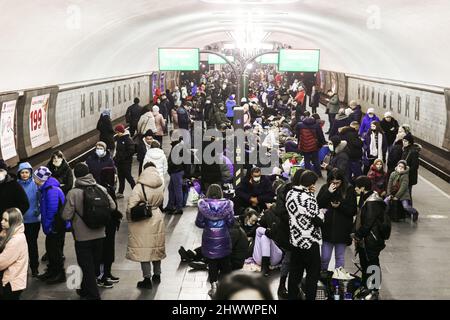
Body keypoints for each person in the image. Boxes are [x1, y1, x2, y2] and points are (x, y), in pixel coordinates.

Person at [62, 163, 116, 298]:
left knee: (87, 267)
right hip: (100, 234)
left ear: (76, 176)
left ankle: (94, 295)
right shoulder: (100, 188)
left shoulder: (73, 193)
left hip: (82, 237)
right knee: (93, 265)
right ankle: (85, 290)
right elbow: (113, 207)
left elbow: (66, 215)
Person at [126, 162, 166, 290]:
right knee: (156, 246)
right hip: (157, 216)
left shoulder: (139, 186)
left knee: (144, 249)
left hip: (143, 220)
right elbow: (161, 200)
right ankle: (157, 274)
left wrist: (129, 217)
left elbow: (131, 206)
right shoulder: (161, 184)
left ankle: (147, 278)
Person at [285, 170, 323, 300]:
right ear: (311, 183)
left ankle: (292, 297)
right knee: (313, 275)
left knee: (295, 273)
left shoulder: (290, 193)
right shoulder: (308, 197)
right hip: (310, 242)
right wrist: (312, 197)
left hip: (296, 240)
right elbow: (318, 219)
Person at [195, 184, 234, 298]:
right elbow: (231, 222)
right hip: (223, 237)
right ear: (221, 192)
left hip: (209, 238)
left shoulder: (204, 206)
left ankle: (214, 287)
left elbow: (199, 223)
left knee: (212, 263)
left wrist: (207, 224)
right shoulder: (227, 205)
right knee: (226, 261)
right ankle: (228, 286)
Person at [352, 176, 387, 300]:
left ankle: (374, 290)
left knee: (373, 264)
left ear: (363, 188)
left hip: (371, 239)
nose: (355, 188)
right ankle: (367, 286)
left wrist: (358, 234)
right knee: (365, 263)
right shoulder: (366, 198)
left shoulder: (373, 201)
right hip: (365, 239)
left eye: (357, 186)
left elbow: (368, 222)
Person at [317, 169, 357, 272]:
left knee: (339, 257)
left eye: (337, 182)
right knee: (324, 258)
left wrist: (340, 206)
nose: (335, 185)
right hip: (327, 228)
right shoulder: (325, 188)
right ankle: (323, 277)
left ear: (342, 181)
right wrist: (328, 193)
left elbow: (352, 210)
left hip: (342, 229)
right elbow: (318, 204)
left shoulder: (349, 190)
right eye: (333, 182)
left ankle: (337, 280)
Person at [34, 166, 67, 284]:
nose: (34, 179)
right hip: (54, 226)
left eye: (35, 177)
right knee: (51, 249)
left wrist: (47, 226)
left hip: (55, 226)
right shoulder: (46, 188)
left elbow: (52, 211)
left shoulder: (51, 190)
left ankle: (59, 274)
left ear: (40, 178)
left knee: (55, 251)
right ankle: (52, 271)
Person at [16, 163, 40, 277]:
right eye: (22, 172)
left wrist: (38, 210)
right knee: (21, 246)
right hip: (20, 221)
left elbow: (40, 198)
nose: (24, 175)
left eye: (26, 172)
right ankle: (23, 267)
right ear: (19, 174)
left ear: (30, 173)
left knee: (32, 244)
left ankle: (34, 267)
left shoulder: (36, 184)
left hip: (34, 220)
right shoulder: (16, 186)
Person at [0, 208, 28, 300]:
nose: (2, 222)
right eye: (2, 219)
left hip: (12, 282)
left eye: (6, 220)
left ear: (13, 223)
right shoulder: (16, 234)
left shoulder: (15, 241)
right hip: (15, 279)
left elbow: (1, 262)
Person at [114, 124, 136, 199]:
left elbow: (131, 150)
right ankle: (120, 192)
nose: (117, 134)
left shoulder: (127, 139)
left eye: (118, 132)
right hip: (120, 162)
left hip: (126, 162)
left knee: (129, 177)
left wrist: (124, 157)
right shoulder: (119, 138)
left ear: (121, 131)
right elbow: (118, 150)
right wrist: (116, 158)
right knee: (121, 177)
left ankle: (136, 191)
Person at [165, 138, 185, 215]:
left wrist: (170, 167)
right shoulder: (177, 146)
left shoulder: (177, 147)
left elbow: (175, 161)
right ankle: (170, 205)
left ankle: (179, 208)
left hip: (176, 171)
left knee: (177, 190)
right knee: (171, 188)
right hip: (176, 171)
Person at [401, 133, 421, 198]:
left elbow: (415, 166)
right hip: (404, 175)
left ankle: (408, 207)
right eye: (403, 140)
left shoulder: (413, 152)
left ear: (410, 142)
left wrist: (406, 171)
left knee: (407, 194)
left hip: (409, 176)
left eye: (406, 141)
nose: (404, 142)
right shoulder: (405, 149)